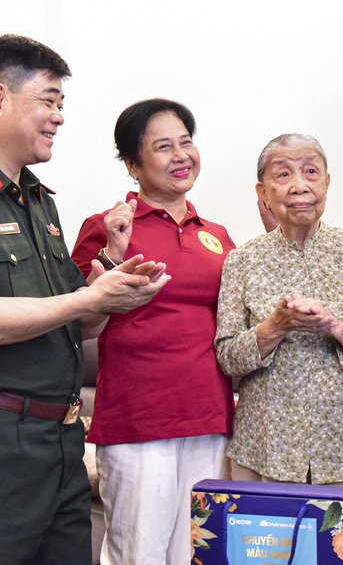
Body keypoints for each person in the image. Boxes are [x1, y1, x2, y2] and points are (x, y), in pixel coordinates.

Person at [0, 34, 171, 565]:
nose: (59, 117)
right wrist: (87, 300)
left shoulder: (37, 201)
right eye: (49, 101)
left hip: (61, 442)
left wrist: (113, 282)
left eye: (61, 104)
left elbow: (80, 325)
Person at [69, 98, 235, 565]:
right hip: (139, 419)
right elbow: (79, 324)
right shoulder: (107, 227)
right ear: (132, 164)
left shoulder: (217, 236)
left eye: (186, 142)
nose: (181, 155)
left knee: (196, 556)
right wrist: (112, 254)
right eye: (163, 147)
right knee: (138, 556)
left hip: (210, 418)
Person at [216, 133, 343, 486]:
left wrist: (336, 327)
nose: (300, 186)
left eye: (311, 172)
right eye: (283, 174)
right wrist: (275, 326)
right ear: (263, 192)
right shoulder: (242, 261)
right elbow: (227, 357)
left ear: (327, 183)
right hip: (266, 449)